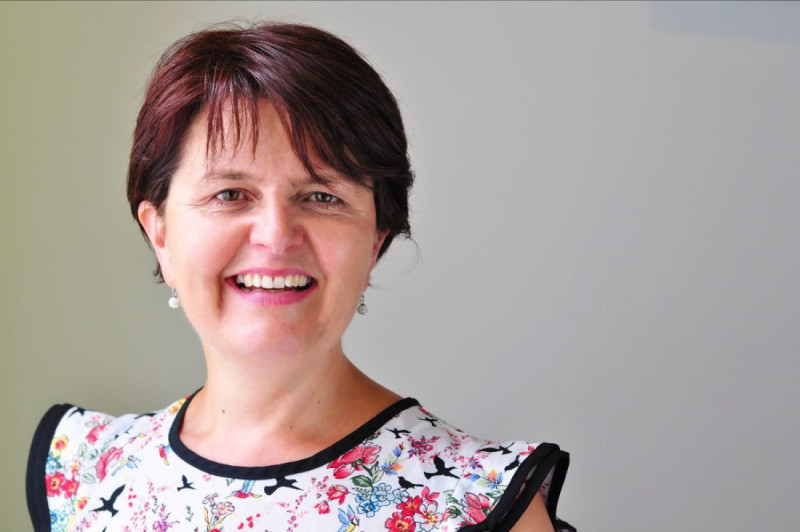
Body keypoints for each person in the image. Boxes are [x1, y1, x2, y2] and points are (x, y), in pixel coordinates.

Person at [26, 22, 574, 532]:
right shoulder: (84, 473)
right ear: (161, 234)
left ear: (375, 239)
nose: (276, 235)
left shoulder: (478, 501)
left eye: (321, 196)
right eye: (230, 194)